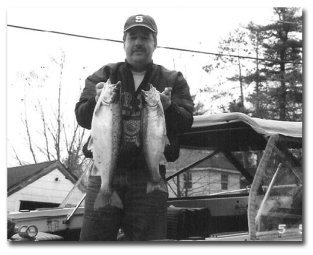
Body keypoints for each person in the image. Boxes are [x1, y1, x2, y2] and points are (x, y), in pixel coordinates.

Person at [75, 14, 194, 241]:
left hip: (149, 177)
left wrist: (168, 107)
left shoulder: (173, 79)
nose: (138, 42)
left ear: (155, 43)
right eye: (132, 37)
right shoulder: (104, 76)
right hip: (104, 173)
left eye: (145, 37)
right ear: (124, 42)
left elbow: (186, 122)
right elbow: (81, 117)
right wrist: (95, 101)